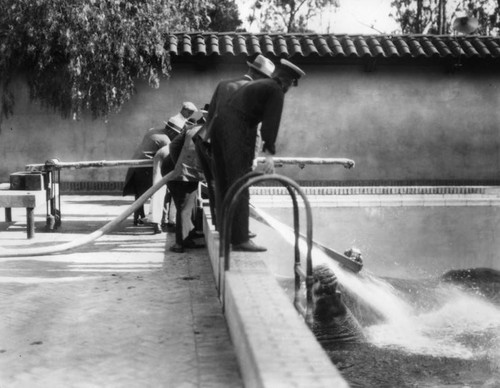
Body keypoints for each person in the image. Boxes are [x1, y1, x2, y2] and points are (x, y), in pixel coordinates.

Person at [211, 59, 305, 252]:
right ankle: (241, 239)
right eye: (290, 85)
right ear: (288, 82)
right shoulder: (275, 90)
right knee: (242, 183)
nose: (288, 88)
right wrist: (269, 154)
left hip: (219, 129)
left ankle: (227, 232)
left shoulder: (259, 85)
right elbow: (272, 122)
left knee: (226, 183)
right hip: (236, 132)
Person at [193, 54, 275, 229]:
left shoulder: (224, 85)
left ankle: (221, 226)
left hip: (208, 143)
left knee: (217, 185)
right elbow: (257, 130)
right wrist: (252, 158)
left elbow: (210, 117)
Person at [122, 102, 197, 228]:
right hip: (147, 170)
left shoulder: (154, 131)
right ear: (172, 131)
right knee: (164, 190)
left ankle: (139, 217)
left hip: (136, 168)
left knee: (141, 194)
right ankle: (161, 220)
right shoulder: (166, 140)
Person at [165, 109, 209, 253]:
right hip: (182, 173)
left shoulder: (192, 128)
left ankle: (187, 238)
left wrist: (179, 163)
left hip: (185, 172)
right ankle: (179, 244)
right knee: (184, 208)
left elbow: (174, 146)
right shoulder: (209, 130)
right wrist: (180, 164)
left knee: (188, 206)